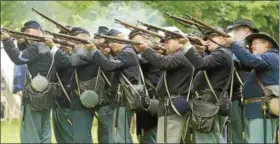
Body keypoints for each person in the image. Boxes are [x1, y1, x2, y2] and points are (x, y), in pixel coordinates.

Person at [0, 20, 72, 143]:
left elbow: (19, 58)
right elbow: (33, 60)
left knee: (31, 131)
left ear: (39, 31)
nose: (26, 33)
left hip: (34, 95)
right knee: (44, 130)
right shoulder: (46, 47)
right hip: (47, 93)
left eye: (28, 31)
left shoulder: (37, 46)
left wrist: (6, 40)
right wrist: (22, 44)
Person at [134, 30, 194, 143]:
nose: (165, 44)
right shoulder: (179, 55)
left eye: (168, 41)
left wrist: (145, 49)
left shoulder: (181, 56)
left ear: (180, 41)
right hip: (168, 106)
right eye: (164, 42)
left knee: (168, 140)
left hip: (172, 105)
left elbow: (163, 62)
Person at [225, 32, 279, 143]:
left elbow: (249, 60)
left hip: (262, 109)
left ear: (267, 45)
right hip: (258, 109)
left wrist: (233, 44)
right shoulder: (267, 58)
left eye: (255, 43)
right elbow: (245, 61)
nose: (251, 46)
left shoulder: (270, 56)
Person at [183, 27, 233, 143]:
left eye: (212, 37)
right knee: (212, 139)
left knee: (207, 140)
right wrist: (199, 52)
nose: (208, 41)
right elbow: (200, 67)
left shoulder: (221, 53)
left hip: (209, 104)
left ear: (222, 39)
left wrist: (186, 45)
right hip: (209, 103)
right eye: (206, 38)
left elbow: (200, 64)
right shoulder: (218, 54)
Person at [89, 29, 137, 143]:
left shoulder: (127, 53)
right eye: (109, 42)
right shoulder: (126, 53)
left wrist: (93, 50)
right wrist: (106, 54)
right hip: (121, 99)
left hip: (123, 99)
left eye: (112, 42)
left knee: (120, 137)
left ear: (120, 39)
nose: (110, 45)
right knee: (119, 135)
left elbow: (109, 66)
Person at [226, 18, 259, 143]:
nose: (233, 32)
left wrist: (234, 45)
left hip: (251, 97)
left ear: (246, 30)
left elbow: (246, 61)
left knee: (253, 135)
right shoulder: (236, 46)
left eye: (236, 29)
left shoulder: (254, 47)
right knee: (236, 134)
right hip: (235, 94)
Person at [128, 29, 162, 143]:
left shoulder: (153, 56)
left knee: (149, 136)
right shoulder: (150, 55)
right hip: (148, 99)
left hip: (152, 99)